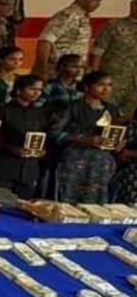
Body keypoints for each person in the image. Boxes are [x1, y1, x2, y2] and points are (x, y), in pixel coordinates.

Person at [52, 71, 120, 204]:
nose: (106, 89)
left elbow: (117, 133)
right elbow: (55, 133)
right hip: (75, 160)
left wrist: (119, 143)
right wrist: (84, 139)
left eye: (109, 85)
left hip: (102, 164)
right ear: (87, 87)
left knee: (95, 202)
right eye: (100, 85)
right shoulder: (73, 107)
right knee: (69, 200)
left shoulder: (112, 109)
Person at [34, 0, 111, 79]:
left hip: (72, 74)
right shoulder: (68, 16)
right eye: (95, 0)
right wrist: (42, 71)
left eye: (100, 0)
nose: (98, 4)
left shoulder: (83, 17)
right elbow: (45, 42)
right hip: (57, 74)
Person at [0, 74, 47, 198]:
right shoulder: (4, 111)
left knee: (24, 204)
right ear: (19, 90)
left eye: (39, 90)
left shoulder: (39, 113)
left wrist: (42, 150)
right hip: (5, 167)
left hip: (29, 170)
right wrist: (12, 149)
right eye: (32, 89)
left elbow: (43, 137)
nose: (36, 93)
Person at [91, 0, 137, 118]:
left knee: (127, 119)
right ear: (131, 4)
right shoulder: (114, 25)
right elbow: (97, 51)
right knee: (104, 116)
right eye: (136, 3)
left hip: (134, 87)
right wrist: (95, 77)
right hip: (112, 81)